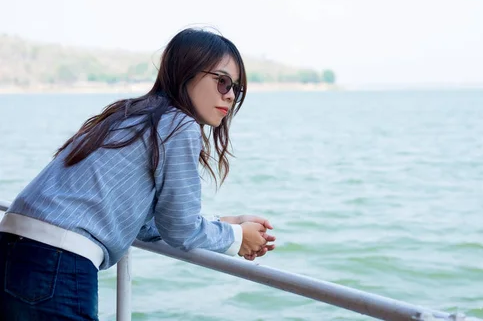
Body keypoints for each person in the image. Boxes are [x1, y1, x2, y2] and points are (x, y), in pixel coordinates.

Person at [0, 28, 276, 320]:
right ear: (188, 72)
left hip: (12, 246)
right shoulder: (180, 125)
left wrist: (223, 225)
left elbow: (137, 221)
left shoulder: (129, 113)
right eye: (222, 81)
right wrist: (237, 237)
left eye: (236, 88)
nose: (230, 95)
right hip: (57, 261)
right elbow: (180, 230)